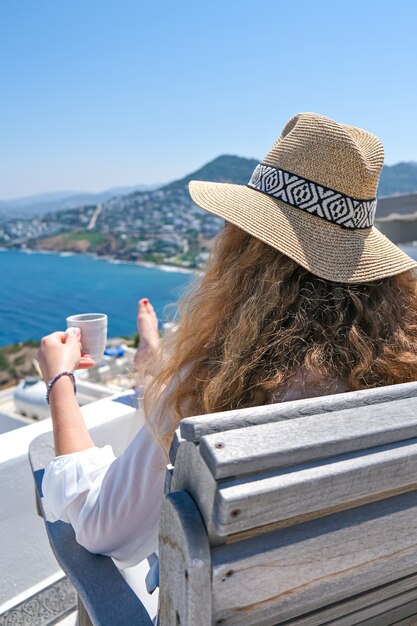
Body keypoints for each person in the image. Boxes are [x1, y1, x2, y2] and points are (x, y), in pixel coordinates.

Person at [39, 112, 417, 620]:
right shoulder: (399, 377)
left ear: (247, 251)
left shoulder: (218, 387)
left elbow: (100, 528)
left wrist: (59, 381)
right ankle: (150, 359)